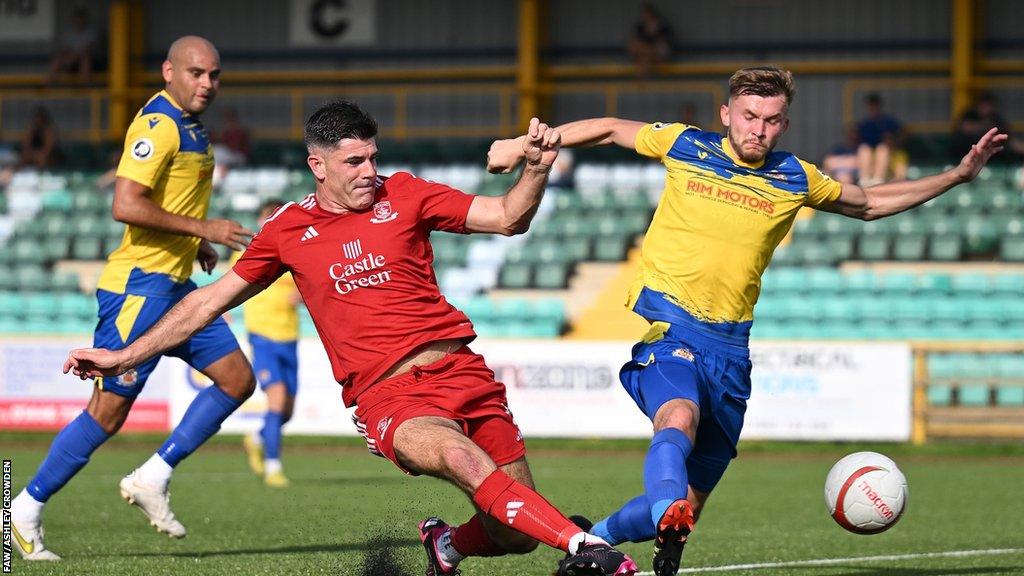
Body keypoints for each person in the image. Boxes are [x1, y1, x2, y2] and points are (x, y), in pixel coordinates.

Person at [63, 100, 638, 576]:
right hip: (390, 397)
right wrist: (125, 355)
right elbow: (206, 302)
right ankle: (584, 549)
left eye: (373, 158)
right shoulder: (287, 231)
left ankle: (448, 546)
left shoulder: (407, 193)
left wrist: (535, 170)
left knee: (512, 537)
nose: (370, 171)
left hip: (464, 373)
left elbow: (508, 216)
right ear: (319, 165)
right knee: (462, 459)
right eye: (355, 161)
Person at [486, 66, 1007, 576]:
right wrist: (523, 143)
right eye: (749, 115)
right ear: (726, 114)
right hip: (672, 330)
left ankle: (592, 537)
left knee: (691, 497)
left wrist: (958, 176)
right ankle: (648, 523)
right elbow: (608, 128)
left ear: (784, 123)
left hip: (732, 354)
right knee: (678, 419)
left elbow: (869, 202)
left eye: (771, 119)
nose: (758, 128)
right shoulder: (687, 146)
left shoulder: (794, 176)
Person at [11, 36, 256, 561]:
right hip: (138, 290)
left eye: (214, 75)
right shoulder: (158, 124)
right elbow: (125, 204)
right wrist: (203, 225)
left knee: (237, 379)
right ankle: (23, 510)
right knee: (107, 413)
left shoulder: (192, 126)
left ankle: (153, 474)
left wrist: (198, 242)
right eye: (195, 73)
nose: (207, 84)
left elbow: (170, 199)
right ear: (169, 71)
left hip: (175, 286)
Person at [240, 200, 304, 488]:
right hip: (262, 336)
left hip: (289, 337)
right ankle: (273, 466)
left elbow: (311, 284)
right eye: (266, 217)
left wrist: (302, 295)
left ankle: (256, 438)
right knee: (276, 398)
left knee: (287, 411)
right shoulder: (250, 251)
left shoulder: (295, 254)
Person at [855, 93, 904, 186]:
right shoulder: (865, 124)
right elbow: (856, 141)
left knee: (882, 149)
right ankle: (864, 181)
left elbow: (903, 133)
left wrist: (894, 142)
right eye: (870, 105)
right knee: (864, 149)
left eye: (875, 104)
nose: (872, 107)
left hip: (889, 154)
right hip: (869, 156)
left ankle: (878, 181)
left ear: (879, 105)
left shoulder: (889, 121)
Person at [47, 7, 99, 84]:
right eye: (77, 18)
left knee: (85, 56)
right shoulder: (70, 33)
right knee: (59, 57)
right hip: (71, 60)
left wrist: (75, 56)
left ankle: (84, 83)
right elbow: (65, 48)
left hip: (90, 62)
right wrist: (69, 57)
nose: (79, 20)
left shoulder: (91, 32)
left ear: (84, 19)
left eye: (81, 18)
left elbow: (88, 49)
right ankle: (49, 82)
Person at [628, 3, 672, 78]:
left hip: (659, 52)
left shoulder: (662, 25)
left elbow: (662, 43)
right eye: (644, 14)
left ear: (651, 14)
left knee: (645, 55)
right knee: (640, 51)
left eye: (646, 14)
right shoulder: (640, 26)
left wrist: (649, 48)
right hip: (646, 55)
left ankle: (642, 73)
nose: (644, 16)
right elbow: (634, 44)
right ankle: (643, 73)